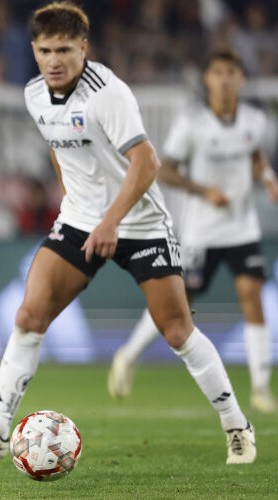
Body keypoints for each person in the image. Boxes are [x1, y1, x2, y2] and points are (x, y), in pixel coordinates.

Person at [0, 2, 256, 465]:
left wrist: (111, 220)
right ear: (33, 49)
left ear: (84, 48)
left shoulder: (107, 93)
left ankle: (237, 425)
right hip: (79, 220)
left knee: (176, 330)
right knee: (30, 314)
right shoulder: (34, 94)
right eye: (46, 50)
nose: (55, 60)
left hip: (140, 223)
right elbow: (59, 150)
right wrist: (76, 204)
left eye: (65, 50)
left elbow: (147, 162)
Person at [109, 47, 278, 413]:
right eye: (217, 72)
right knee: (177, 307)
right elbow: (165, 169)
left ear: (241, 79)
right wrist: (204, 191)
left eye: (231, 72)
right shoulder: (193, 123)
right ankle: (129, 355)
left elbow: (255, 152)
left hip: (242, 227)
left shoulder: (253, 119)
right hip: (201, 232)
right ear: (207, 78)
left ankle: (261, 389)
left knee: (253, 297)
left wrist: (266, 176)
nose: (225, 79)